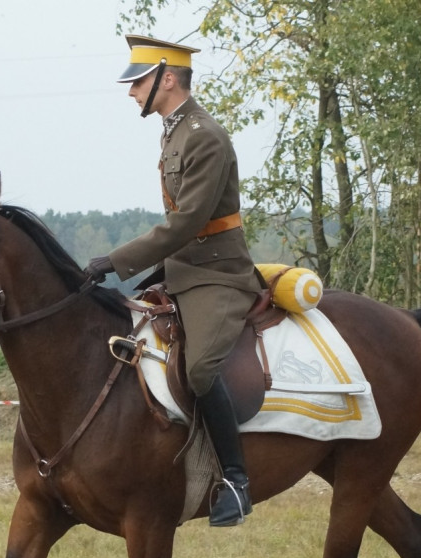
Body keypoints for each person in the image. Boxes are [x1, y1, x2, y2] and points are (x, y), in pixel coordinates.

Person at [85, 35, 262, 527]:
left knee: (201, 368)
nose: (129, 92)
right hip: (184, 269)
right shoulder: (174, 130)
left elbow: (185, 223)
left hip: (217, 275)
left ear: (166, 78)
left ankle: (234, 479)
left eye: (136, 82)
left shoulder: (203, 134)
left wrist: (116, 260)